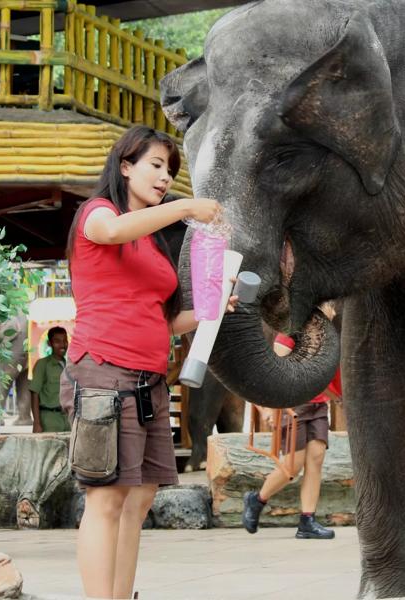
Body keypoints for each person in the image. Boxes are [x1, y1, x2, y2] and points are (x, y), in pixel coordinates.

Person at [58, 125, 235, 599]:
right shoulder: (98, 214)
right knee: (107, 498)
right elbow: (111, 232)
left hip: (149, 379)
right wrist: (185, 206)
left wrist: (212, 309)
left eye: (169, 171)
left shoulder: (154, 243)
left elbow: (163, 319)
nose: (163, 178)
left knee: (139, 498)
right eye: (156, 166)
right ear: (125, 166)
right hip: (103, 372)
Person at [242, 312, 342, 540]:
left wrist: (335, 396)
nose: (333, 311)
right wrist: (267, 409)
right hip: (294, 405)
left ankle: (307, 520)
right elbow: (275, 369)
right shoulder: (291, 331)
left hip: (318, 405)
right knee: (292, 466)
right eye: (329, 305)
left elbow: (322, 372)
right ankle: (257, 500)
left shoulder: (325, 336)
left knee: (316, 458)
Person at [29, 327, 70, 433]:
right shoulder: (42, 364)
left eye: (64, 341)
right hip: (49, 420)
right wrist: (36, 423)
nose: (62, 345)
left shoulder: (69, 366)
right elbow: (35, 394)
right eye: (57, 341)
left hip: (67, 419)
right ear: (49, 343)